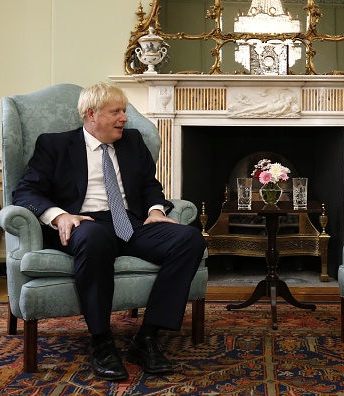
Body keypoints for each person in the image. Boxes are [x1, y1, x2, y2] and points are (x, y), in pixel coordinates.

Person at [12, 83, 206, 381]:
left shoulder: (132, 142)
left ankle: (148, 337)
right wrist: (59, 215)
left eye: (124, 111)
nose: (124, 119)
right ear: (91, 115)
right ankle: (102, 342)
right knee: (94, 237)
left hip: (130, 223)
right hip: (84, 223)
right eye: (116, 112)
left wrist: (156, 210)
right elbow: (25, 191)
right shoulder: (55, 145)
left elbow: (150, 186)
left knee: (189, 238)